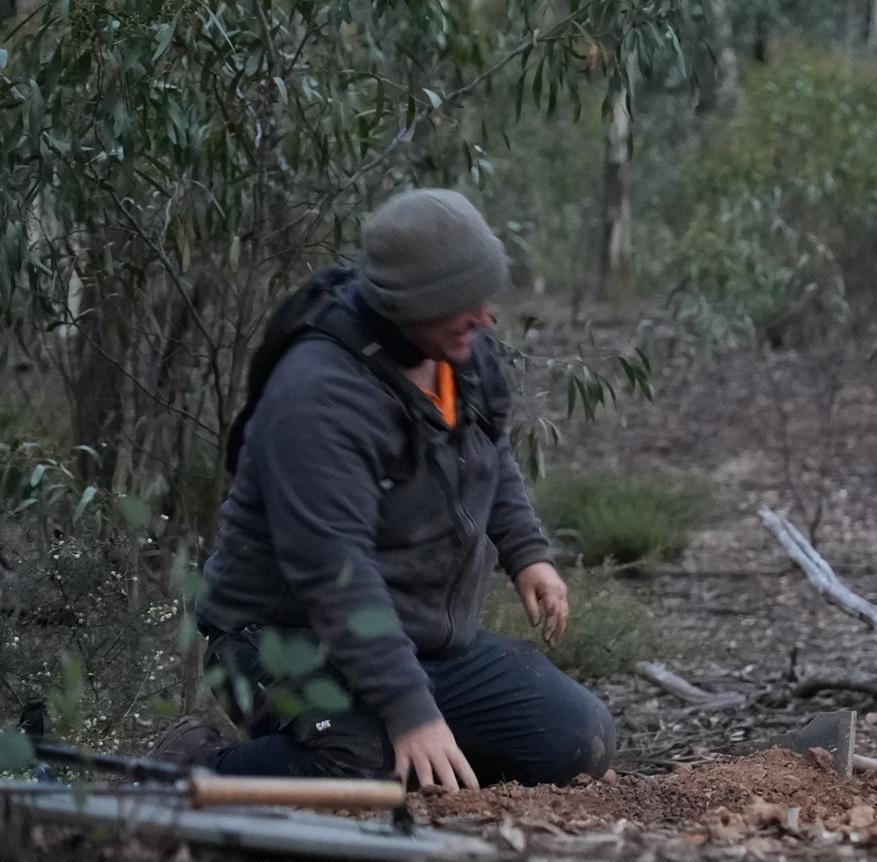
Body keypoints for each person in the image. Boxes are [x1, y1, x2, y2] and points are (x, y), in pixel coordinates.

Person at [157, 189, 613, 790]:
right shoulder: (318, 398)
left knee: (578, 739)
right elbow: (334, 573)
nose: (484, 317)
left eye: (484, 296)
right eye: (461, 302)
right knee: (361, 765)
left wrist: (526, 552)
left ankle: (414, 756)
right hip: (282, 638)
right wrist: (410, 712)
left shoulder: (459, 351)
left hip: (417, 636)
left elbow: (489, 451)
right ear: (409, 303)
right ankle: (181, 767)